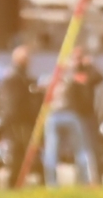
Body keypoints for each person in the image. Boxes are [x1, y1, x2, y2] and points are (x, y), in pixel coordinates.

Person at [40, 51, 99, 187]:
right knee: (80, 149)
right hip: (69, 114)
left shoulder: (49, 81)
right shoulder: (72, 80)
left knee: (52, 150)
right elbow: (88, 81)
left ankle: (52, 184)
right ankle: (85, 180)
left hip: (54, 115)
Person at [0, 43, 41, 185]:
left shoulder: (21, 76)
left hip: (20, 120)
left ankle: (18, 181)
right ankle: (14, 181)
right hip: (18, 121)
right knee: (18, 152)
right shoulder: (14, 77)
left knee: (22, 152)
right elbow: (13, 102)